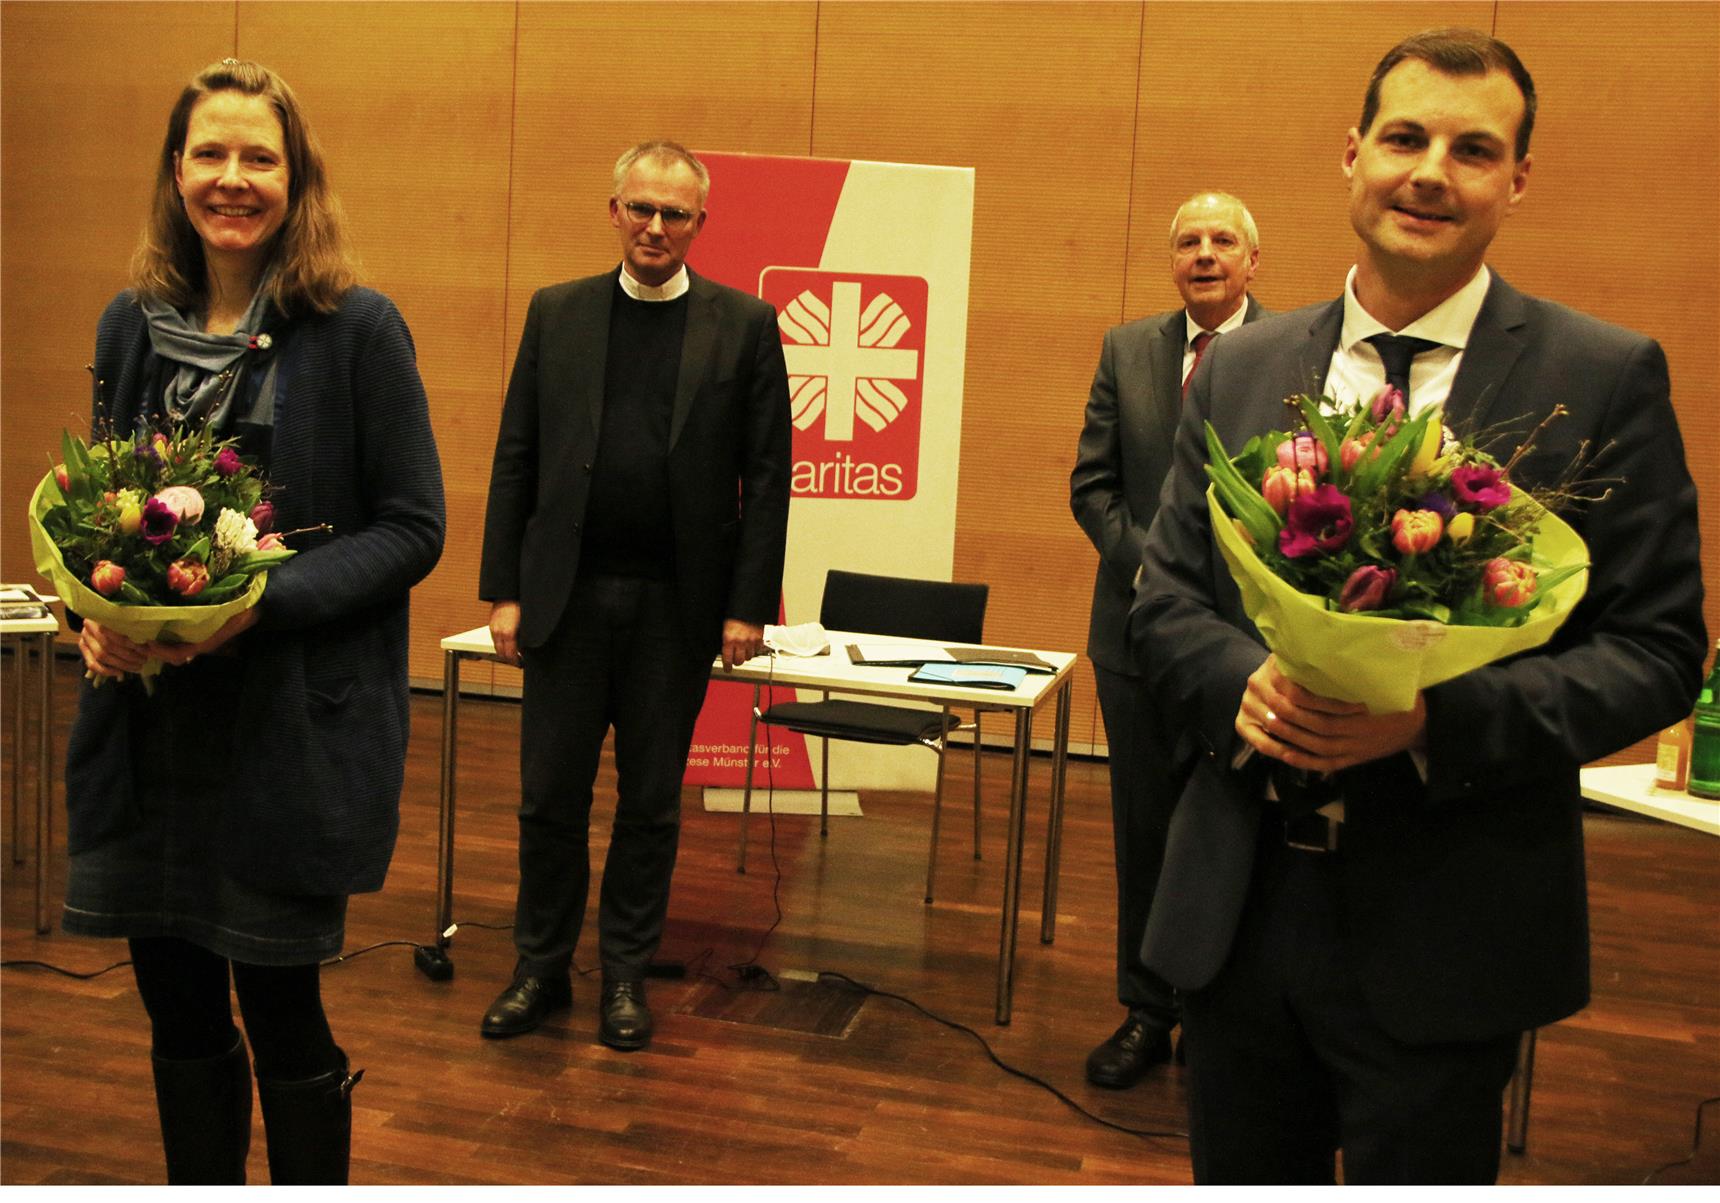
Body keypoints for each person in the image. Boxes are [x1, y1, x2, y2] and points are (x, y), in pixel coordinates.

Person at [1132, 29, 1706, 1183]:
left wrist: (1432, 723)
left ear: (1517, 180)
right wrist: (1241, 682)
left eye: (1473, 148)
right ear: (1351, 155)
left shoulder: (1600, 376)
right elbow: (1165, 601)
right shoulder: (1242, 368)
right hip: (1238, 911)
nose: (1430, 171)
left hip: (1451, 924)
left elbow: (1655, 652)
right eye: (1404, 137)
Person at [65, 59, 445, 1185]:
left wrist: (252, 605)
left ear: (297, 177)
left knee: (281, 1012)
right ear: (175, 172)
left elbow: (412, 529)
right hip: (148, 738)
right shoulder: (128, 327)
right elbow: (106, 518)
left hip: (286, 735)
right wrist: (98, 616)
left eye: (258, 157)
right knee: (177, 1014)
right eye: (209, 154)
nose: (232, 179)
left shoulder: (359, 330)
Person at [478, 140, 791, 1051]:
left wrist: (747, 606)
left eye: (677, 214)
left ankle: (622, 976)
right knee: (549, 800)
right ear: (614, 210)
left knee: (650, 803)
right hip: (564, 603)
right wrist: (503, 589)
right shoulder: (557, 312)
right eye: (642, 209)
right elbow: (517, 458)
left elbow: (767, 478)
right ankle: (539, 969)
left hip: (676, 608)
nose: (657, 227)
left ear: (701, 224)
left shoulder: (745, 324)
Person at [1069, 191, 1266, 1088]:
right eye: (1188, 240)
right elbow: (1094, 485)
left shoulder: (1291, 353)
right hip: (1136, 638)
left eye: (1224, 240)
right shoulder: (1127, 349)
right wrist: (1156, 570)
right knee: (1144, 831)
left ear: (1251, 262)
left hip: (1245, 648)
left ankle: (1221, 1020)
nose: (1205, 253)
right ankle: (1147, 1011)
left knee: (1231, 833)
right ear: (1171, 261)